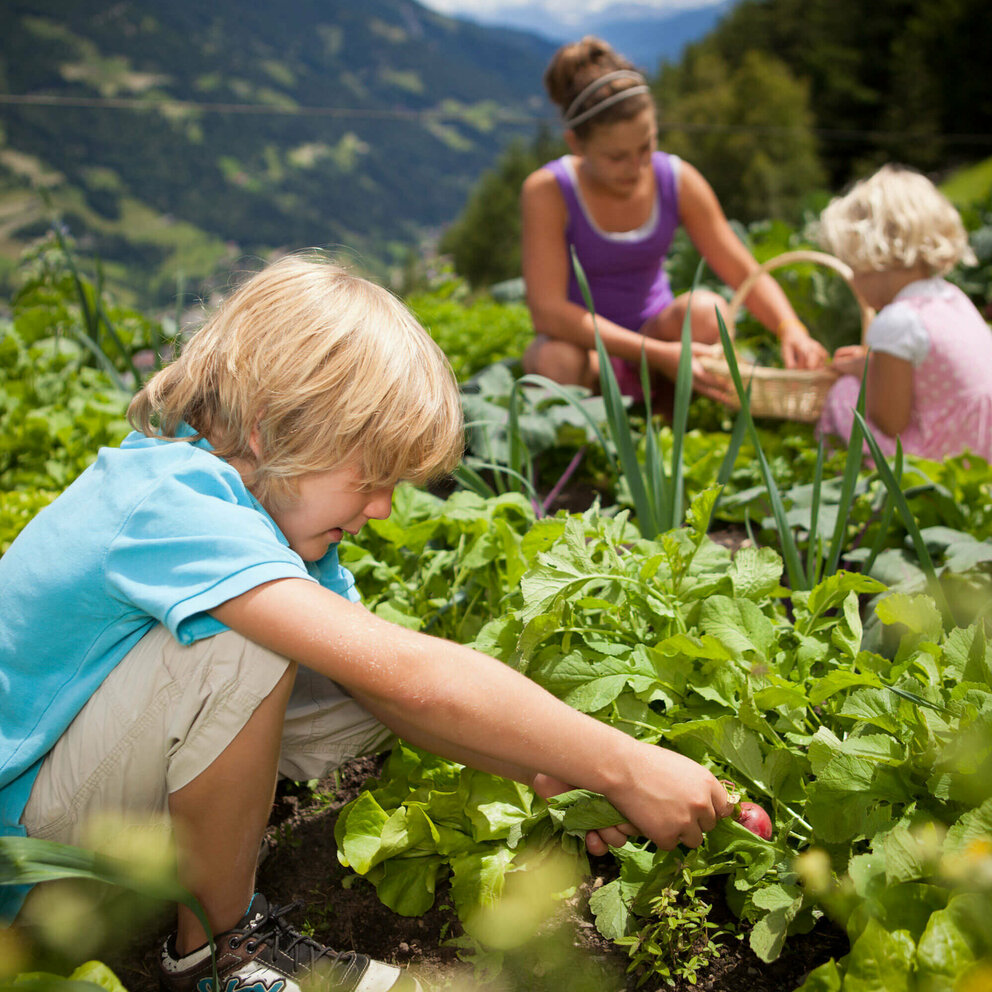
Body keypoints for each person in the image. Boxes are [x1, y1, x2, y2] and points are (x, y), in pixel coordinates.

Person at [0, 254, 733, 992]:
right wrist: (627, 763)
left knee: (357, 696)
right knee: (240, 648)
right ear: (268, 430)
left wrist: (574, 778)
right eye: (370, 477)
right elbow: (414, 679)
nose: (382, 508)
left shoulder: (268, 523)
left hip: (86, 839)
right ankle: (221, 956)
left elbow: (391, 699)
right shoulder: (169, 501)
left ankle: (208, 880)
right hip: (21, 870)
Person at [521, 36, 827, 408]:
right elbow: (548, 314)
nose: (636, 168)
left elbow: (742, 270)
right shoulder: (548, 191)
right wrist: (656, 353)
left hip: (661, 341)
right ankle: (575, 452)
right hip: (589, 353)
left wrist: (790, 327)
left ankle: (674, 416)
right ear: (577, 145)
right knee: (554, 359)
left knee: (708, 311)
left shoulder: (676, 179)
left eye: (646, 147)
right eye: (617, 157)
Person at [815, 164, 992, 462]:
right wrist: (869, 366)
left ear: (875, 258)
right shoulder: (951, 298)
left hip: (942, 457)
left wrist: (862, 375)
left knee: (844, 394)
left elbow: (890, 421)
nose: (854, 282)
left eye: (855, 269)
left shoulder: (895, 321)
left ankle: (851, 484)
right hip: (979, 449)